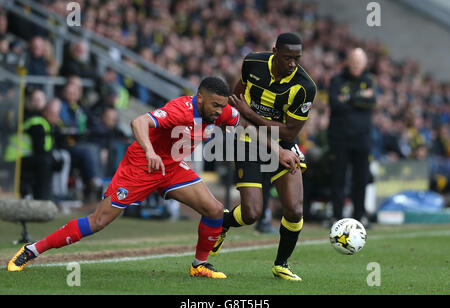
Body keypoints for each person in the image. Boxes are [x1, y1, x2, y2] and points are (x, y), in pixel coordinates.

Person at [7, 76, 242, 279]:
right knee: (99, 221)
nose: (219, 111)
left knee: (214, 210)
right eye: (215, 105)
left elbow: (241, 122)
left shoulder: (221, 112)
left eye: (222, 106)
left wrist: (272, 146)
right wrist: (150, 151)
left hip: (172, 167)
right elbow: (138, 121)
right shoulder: (179, 109)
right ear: (200, 98)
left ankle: (199, 265)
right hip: (142, 164)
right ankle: (33, 249)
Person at [211, 33, 317, 281]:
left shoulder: (305, 87)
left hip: (284, 143)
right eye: (287, 57)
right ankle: (223, 222)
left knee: (294, 209)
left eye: (297, 58)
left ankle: (282, 264)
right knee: (251, 213)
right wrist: (231, 114)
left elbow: (290, 130)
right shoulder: (253, 63)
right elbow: (238, 93)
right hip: (248, 140)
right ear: (274, 51)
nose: (292, 63)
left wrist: (252, 114)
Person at [327, 47, 376, 227]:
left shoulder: (369, 80)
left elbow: (370, 102)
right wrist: (359, 98)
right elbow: (335, 104)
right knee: (338, 178)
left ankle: (359, 215)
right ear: (348, 62)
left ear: (364, 64)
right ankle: (336, 215)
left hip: (362, 139)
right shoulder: (336, 80)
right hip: (339, 138)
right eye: (354, 62)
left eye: (359, 63)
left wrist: (348, 98)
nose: (356, 66)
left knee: (361, 179)